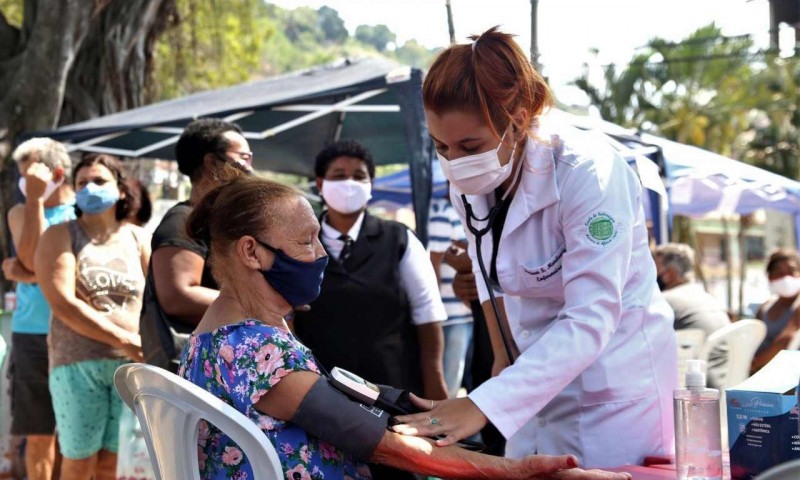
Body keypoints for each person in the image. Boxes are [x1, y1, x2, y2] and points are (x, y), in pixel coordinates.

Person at [179, 174, 630, 480]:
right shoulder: (258, 350)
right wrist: (521, 470)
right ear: (251, 253)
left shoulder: (207, 340)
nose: (321, 254)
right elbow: (391, 448)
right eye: (306, 241)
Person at [393, 27, 677, 468]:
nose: (455, 161)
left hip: (611, 394)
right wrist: (503, 359)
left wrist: (483, 404)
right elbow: (488, 277)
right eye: (441, 146)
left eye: (470, 145)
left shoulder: (588, 172)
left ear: (520, 117)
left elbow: (591, 315)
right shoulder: (468, 180)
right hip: (527, 385)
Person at [292, 140, 448, 480]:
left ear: (371, 185)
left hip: (390, 389)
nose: (349, 183)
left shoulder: (399, 240)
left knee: (395, 469)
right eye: (339, 175)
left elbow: (428, 315)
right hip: (322, 391)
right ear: (320, 184)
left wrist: (436, 390)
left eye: (358, 176)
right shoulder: (300, 243)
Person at [35, 153, 150, 480]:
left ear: (122, 190)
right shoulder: (60, 235)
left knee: (112, 466)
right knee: (79, 464)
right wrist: (127, 341)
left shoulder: (138, 238)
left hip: (129, 368)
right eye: (82, 182)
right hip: (77, 364)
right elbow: (64, 303)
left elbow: (154, 300)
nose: (89, 188)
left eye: (99, 181)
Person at [139, 118, 251, 372]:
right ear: (212, 161)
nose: (249, 168)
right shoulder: (183, 221)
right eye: (244, 157)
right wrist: (257, 302)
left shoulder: (222, 223)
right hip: (194, 374)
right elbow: (179, 296)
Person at [2, 138, 75, 480]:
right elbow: (33, 258)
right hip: (31, 335)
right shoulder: (21, 211)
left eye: (29, 175)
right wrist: (34, 200)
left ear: (57, 173)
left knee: (75, 439)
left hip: (76, 334)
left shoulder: (83, 214)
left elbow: (37, 268)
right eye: (21, 177)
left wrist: (27, 273)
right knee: (39, 435)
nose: (23, 182)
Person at [654, 243, 730, 389]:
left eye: (653, 270)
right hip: (727, 384)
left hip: (696, 391)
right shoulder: (708, 298)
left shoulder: (665, 300)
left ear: (670, 273)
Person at [428, 195, 474, 398]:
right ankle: (439, 429)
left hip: (465, 313)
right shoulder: (442, 211)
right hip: (450, 316)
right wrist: (432, 313)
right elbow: (433, 262)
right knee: (448, 388)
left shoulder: (473, 209)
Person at [751, 249, 800, 372]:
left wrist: (754, 365)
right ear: (770, 277)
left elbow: (786, 339)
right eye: (779, 272)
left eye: (792, 271)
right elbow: (751, 338)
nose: (786, 277)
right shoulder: (765, 307)